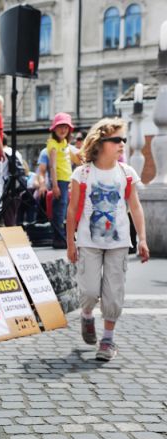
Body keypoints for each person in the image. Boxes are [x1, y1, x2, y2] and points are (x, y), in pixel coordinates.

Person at [66, 117, 150, 362]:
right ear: (101, 142)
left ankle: (108, 340)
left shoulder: (126, 173)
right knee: (90, 291)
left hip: (118, 243)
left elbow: (135, 207)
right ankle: (87, 314)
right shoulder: (82, 173)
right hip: (88, 242)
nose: (122, 144)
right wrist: (70, 243)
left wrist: (142, 239)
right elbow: (71, 210)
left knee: (114, 294)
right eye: (116, 140)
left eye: (123, 139)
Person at [47, 112, 79, 249]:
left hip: (66, 181)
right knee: (59, 211)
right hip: (59, 181)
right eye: (60, 127)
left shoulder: (65, 143)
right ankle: (59, 239)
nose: (63, 130)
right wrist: (55, 185)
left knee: (62, 210)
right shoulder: (53, 144)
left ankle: (61, 237)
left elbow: (70, 159)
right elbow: (52, 166)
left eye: (66, 127)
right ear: (54, 128)